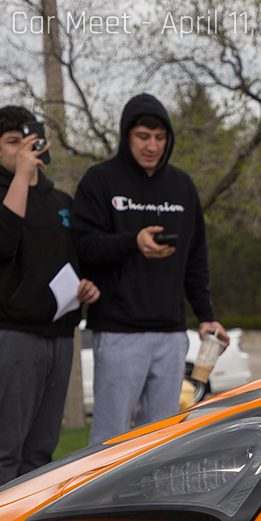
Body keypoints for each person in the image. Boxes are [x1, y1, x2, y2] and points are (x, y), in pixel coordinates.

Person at [72, 93, 228, 445]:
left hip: (171, 334)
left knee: (163, 439)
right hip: (118, 330)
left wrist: (206, 315)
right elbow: (83, 245)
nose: (152, 146)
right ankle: (103, 501)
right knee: (111, 437)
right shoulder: (100, 182)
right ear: (127, 135)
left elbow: (196, 259)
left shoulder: (182, 187)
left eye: (160, 138)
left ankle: (152, 502)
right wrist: (132, 242)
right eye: (143, 136)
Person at [0, 105, 99, 496]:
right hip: (10, 335)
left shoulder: (62, 201)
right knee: (5, 452)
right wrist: (22, 177)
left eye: (30, 143)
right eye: (12, 144)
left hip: (58, 336)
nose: (23, 151)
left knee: (41, 452)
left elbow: (79, 263)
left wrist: (88, 289)